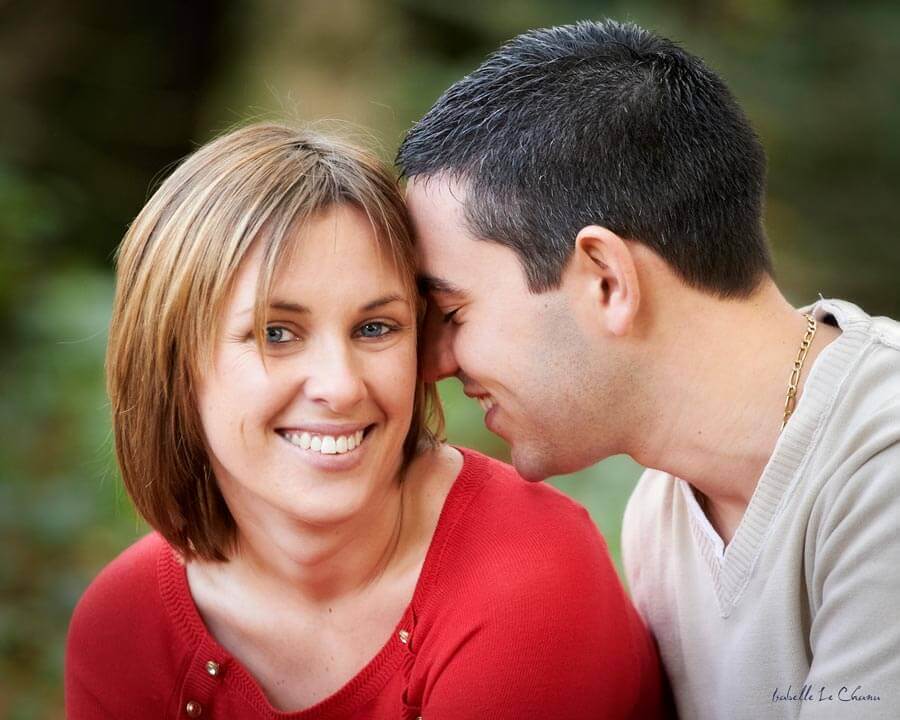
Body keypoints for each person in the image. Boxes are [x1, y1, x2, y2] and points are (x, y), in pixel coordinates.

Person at [64, 122, 667, 719]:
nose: (341, 386)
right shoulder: (125, 624)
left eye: (375, 328)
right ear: (173, 361)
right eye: (277, 333)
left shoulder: (528, 571)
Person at [397, 19, 900, 720]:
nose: (432, 364)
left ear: (606, 280)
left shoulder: (883, 473)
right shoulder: (661, 511)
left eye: (453, 313)